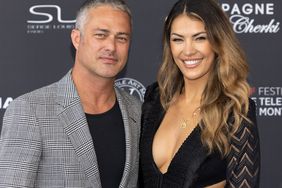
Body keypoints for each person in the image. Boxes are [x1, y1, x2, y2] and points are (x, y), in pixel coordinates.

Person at [0, 0, 141, 187]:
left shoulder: (137, 111)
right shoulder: (30, 110)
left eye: (121, 38)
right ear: (76, 38)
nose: (111, 47)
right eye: (101, 35)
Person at [139, 0, 260, 187]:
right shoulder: (155, 98)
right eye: (178, 39)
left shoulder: (235, 112)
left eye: (200, 38)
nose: (188, 50)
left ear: (218, 41)